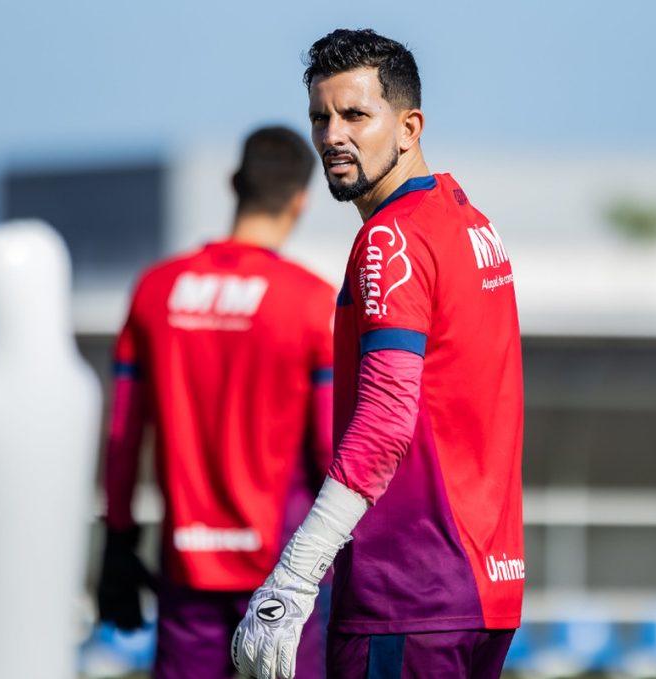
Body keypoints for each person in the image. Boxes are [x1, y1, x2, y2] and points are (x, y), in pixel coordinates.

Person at [232, 29, 524, 679]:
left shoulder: (392, 238)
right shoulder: (468, 221)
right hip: (484, 590)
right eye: (320, 116)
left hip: (409, 593)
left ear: (408, 126)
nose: (333, 134)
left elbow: (386, 420)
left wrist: (294, 576)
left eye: (355, 115)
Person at [98, 126, 335, 679]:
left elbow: (123, 437)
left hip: (186, 568)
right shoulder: (312, 301)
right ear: (301, 200)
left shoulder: (155, 290)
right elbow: (328, 448)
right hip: (287, 572)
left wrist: (118, 539)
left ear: (235, 183)